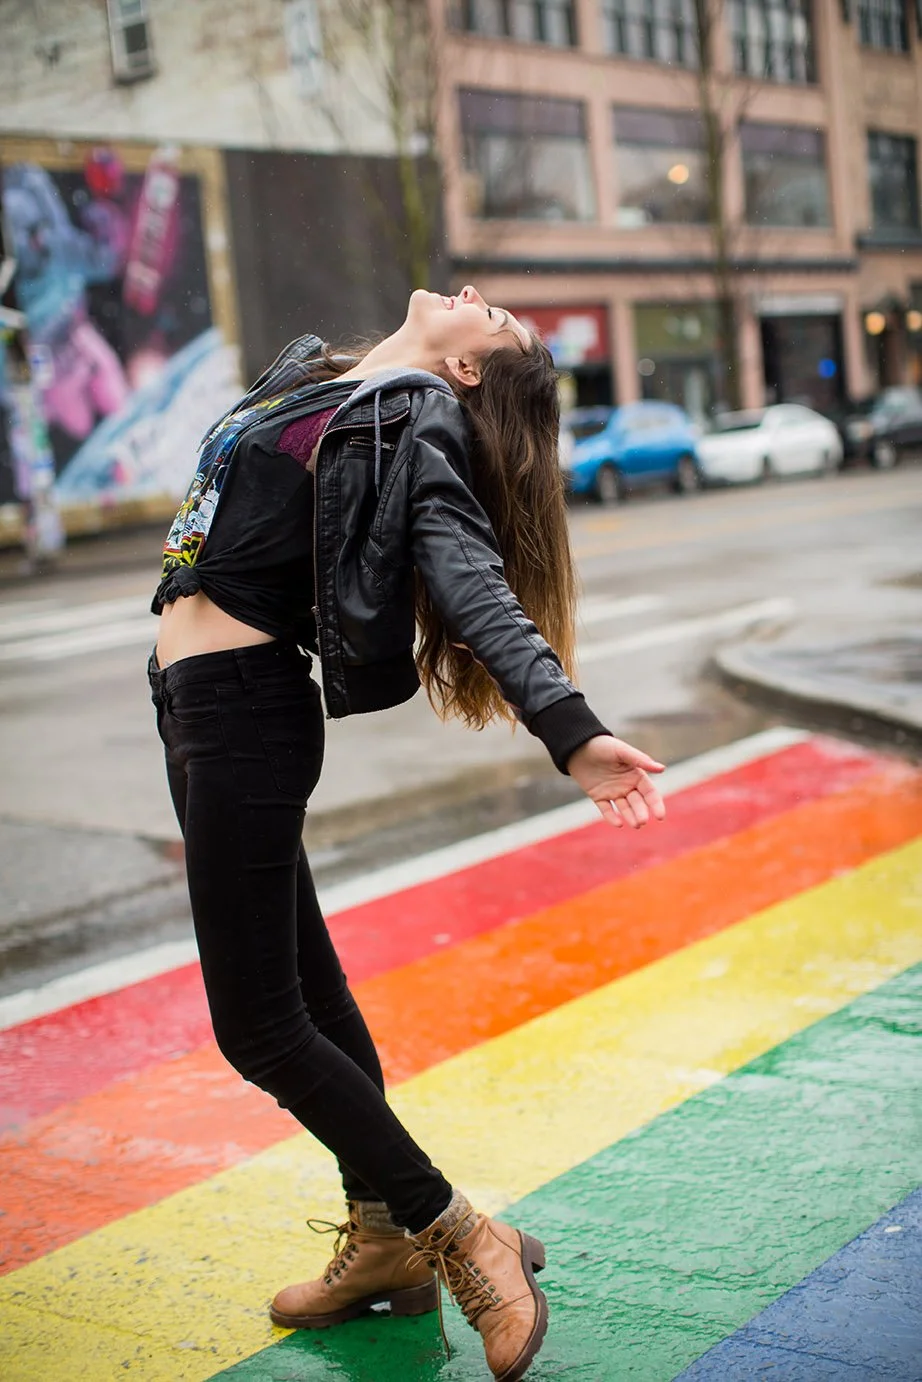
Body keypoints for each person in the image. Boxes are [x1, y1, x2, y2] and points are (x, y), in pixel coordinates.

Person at [148, 285, 666, 1382]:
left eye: (501, 323)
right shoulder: (327, 377)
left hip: (244, 709)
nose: (482, 296)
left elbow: (471, 579)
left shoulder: (414, 417)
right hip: (193, 706)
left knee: (261, 1026)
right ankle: (382, 1237)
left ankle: (455, 1231)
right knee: (311, 994)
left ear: (470, 373)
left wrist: (568, 728)